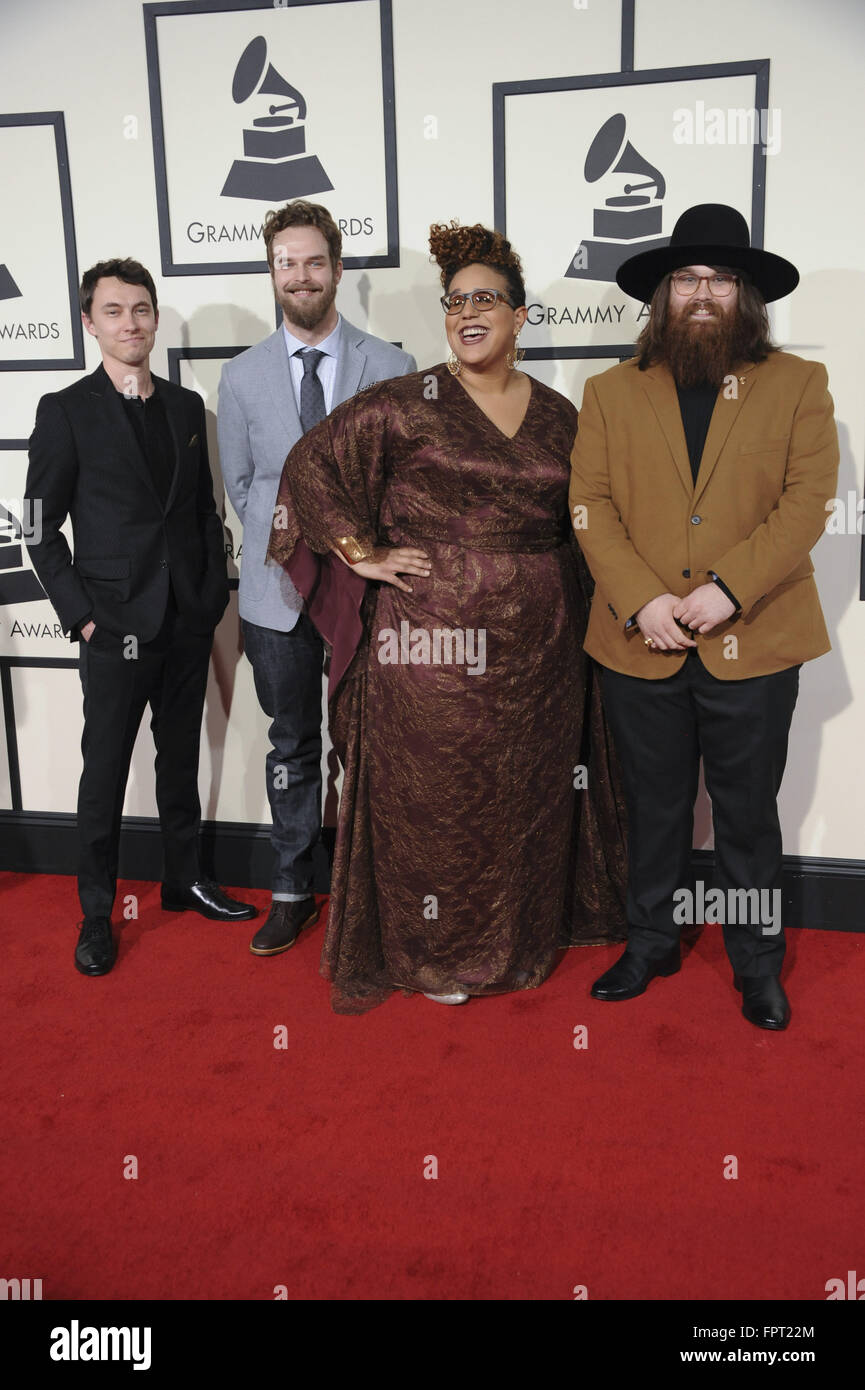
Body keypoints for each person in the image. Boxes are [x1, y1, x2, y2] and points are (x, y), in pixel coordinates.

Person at [267, 222, 627, 1013]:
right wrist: (358, 551)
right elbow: (310, 465)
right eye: (455, 301)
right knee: (434, 799)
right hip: (426, 648)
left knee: (526, 796)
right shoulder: (406, 401)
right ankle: (437, 954)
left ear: (520, 316)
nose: (467, 313)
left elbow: (590, 518)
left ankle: (521, 942)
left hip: (541, 653)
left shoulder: (564, 417)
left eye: (485, 300)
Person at [569, 203, 839, 1030]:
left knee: (746, 815)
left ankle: (757, 962)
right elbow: (590, 505)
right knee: (650, 808)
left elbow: (806, 503)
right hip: (637, 641)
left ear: (744, 296)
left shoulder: (796, 383)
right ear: (662, 295)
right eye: (685, 278)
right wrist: (642, 599)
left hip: (754, 638)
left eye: (720, 279)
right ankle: (648, 942)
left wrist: (728, 588)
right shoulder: (610, 391)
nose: (701, 293)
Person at [25, 258, 256, 978]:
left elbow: (200, 512)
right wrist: (82, 617)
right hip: (112, 626)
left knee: (179, 759)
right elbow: (37, 524)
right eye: (115, 311)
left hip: (187, 619)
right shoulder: (64, 410)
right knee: (103, 774)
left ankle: (184, 880)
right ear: (90, 323)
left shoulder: (187, 409)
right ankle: (97, 913)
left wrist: (212, 591)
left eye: (142, 310)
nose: (131, 323)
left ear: (156, 318)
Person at [217, 201, 416, 959]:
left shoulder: (391, 368)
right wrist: (290, 542)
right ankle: (294, 888)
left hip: (369, 594)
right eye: (284, 263)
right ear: (271, 272)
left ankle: (376, 889)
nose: (299, 276)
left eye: (312, 261)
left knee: (372, 742)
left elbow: (401, 484)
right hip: (276, 597)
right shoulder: (241, 378)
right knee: (291, 742)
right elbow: (241, 485)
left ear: (336, 269)